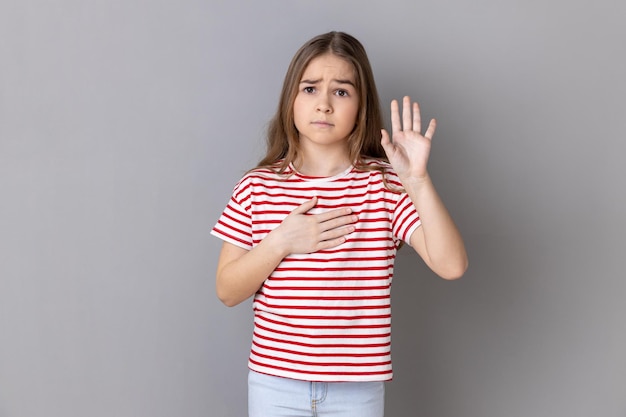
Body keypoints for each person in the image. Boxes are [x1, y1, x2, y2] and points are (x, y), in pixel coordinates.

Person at [211, 31, 468, 417]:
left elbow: (452, 265)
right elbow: (227, 290)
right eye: (311, 88)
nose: (325, 105)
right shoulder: (258, 186)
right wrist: (279, 242)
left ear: (362, 105)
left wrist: (416, 181)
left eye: (342, 92)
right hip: (275, 382)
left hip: (357, 389)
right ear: (291, 100)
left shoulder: (384, 184)